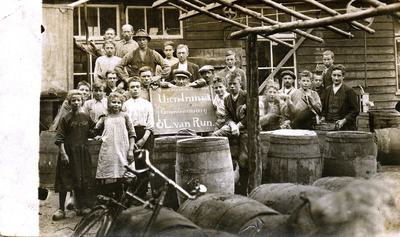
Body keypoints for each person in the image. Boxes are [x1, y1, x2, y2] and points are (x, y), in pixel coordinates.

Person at [52, 90, 95, 221]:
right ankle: (61, 209)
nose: (76, 103)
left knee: (81, 180)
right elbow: (59, 138)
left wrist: (102, 123)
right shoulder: (65, 118)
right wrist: (63, 154)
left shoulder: (86, 116)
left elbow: (91, 131)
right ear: (69, 103)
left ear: (82, 102)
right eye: (73, 101)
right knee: (64, 181)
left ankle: (80, 207)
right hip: (69, 153)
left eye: (78, 100)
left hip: (82, 153)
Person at [94, 92, 136, 198]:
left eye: (118, 103)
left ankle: (125, 200)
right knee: (110, 174)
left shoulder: (125, 116)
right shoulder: (105, 117)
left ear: (122, 104)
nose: (116, 105)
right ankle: (112, 200)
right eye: (113, 102)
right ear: (109, 104)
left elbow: (132, 133)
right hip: (109, 149)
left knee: (125, 174)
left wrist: (131, 150)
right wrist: (97, 136)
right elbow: (95, 130)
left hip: (123, 149)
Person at [213, 75, 248, 195]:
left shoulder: (246, 96)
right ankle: (219, 166)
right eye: (230, 84)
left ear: (240, 85)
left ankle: (243, 188)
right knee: (215, 136)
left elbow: (252, 116)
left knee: (243, 158)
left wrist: (239, 126)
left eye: (235, 84)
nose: (232, 87)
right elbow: (227, 116)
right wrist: (232, 125)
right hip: (233, 127)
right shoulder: (227, 99)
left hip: (247, 130)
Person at [123, 77, 154, 197]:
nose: (135, 89)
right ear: (128, 89)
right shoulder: (125, 105)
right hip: (130, 134)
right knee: (130, 162)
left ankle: (142, 193)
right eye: (132, 87)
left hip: (144, 134)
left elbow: (150, 124)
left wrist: (143, 140)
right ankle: (130, 193)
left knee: (143, 164)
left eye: (137, 87)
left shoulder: (147, 104)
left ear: (140, 89)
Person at [320, 64, 359, 130]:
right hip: (329, 125)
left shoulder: (349, 91)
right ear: (331, 76)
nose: (336, 78)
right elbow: (324, 107)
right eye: (334, 75)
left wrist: (344, 120)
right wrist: (323, 117)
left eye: (339, 76)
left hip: (345, 127)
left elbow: (355, 110)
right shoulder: (327, 90)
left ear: (343, 76)